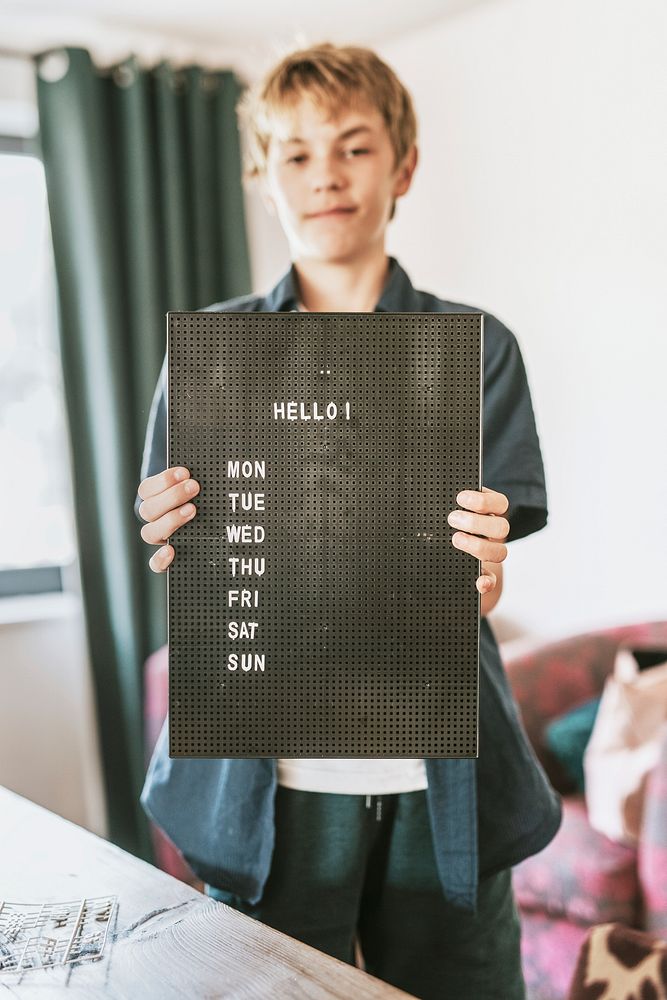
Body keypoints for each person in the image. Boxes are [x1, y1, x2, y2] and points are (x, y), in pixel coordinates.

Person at [135, 42, 561, 1000]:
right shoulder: (213, 359)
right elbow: (185, 542)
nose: (324, 173)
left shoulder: (478, 350)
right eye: (294, 152)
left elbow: (484, 566)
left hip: (441, 777)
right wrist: (171, 531)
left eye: (354, 146)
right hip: (264, 785)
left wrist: (484, 574)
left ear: (402, 165)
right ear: (262, 175)